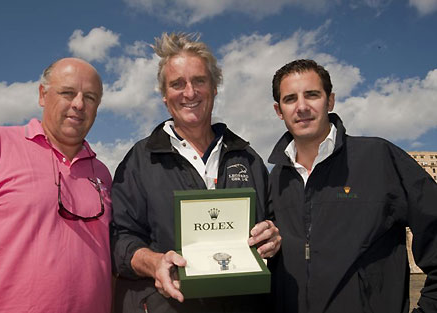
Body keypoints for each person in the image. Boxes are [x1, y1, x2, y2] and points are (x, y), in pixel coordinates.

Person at [111, 32, 281, 313]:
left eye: (199, 81)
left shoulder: (248, 158)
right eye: (177, 84)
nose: (189, 93)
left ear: (214, 87)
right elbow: (120, 238)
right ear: (165, 96)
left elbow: (273, 221)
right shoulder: (139, 161)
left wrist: (274, 236)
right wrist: (153, 262)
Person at [0, 58, 113, 313]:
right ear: (42, 95)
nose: (79, 104)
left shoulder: (103, 174)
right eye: (67, 93)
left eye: (91, 97)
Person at [267, 59, 437, 313]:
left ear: (330, 101)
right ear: (279, 110)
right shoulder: (273, 182)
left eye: (312, 95)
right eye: (290, 99)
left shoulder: (379, 157)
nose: (301, 107)